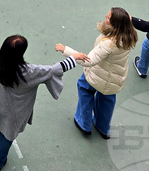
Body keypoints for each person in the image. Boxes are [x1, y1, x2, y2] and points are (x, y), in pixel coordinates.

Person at [0, 35, 81, 171]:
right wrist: (74, 57)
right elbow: (53, 70)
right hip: (14, 115)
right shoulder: (29, 72)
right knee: (7, 139)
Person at [56, 8, 137, 139]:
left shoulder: (109, 43)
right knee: (107, 100)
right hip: (114, 79)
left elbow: (88, 61)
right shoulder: (129, 35)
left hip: (97, 75)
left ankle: (84, 123)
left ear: (115, 24)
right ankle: (103, 127)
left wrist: (67, 51)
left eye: (109, 17)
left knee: (84, 89)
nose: (105, 17)